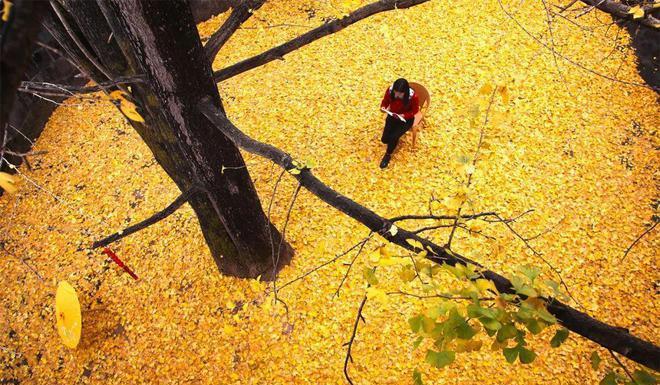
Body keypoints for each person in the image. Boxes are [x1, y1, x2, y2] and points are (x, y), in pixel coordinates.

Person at [378, 78, 419, 168]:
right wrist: (383, 108)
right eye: (396, 92)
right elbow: (385, 102)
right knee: (384, 140)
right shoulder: (390, 91)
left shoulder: (413, 97)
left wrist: (405, 115)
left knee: (393, 137)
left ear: (405, 92)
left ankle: (388, 155)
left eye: (400, 93)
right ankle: (393, 139)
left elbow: (415, 111)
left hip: (406, 120)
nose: (397, 95)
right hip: (393, 115)